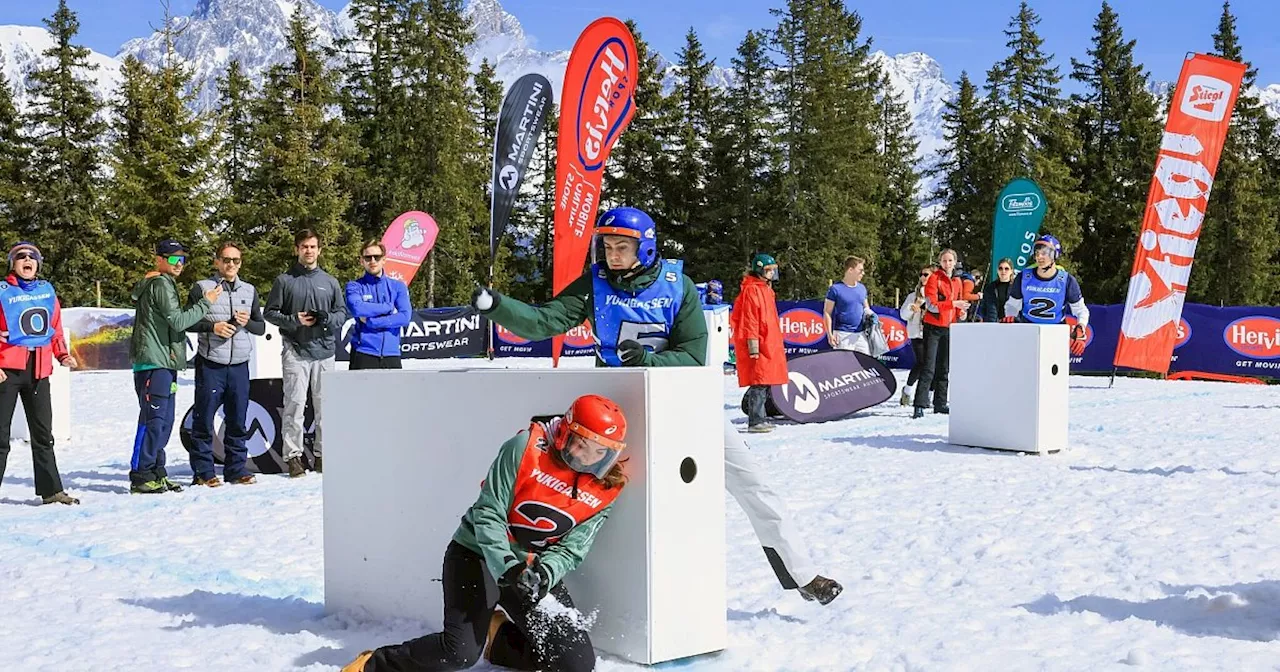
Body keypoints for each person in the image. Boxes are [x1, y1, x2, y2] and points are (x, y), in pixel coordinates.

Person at [470, 206, 842, 605]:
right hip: (622, 411)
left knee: (754, 483)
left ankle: (802, 574)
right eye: (607, 246)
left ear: (645, 248)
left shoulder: (676, 285)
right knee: (619, 504)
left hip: (683, 402)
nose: (612, 255)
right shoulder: (594, 284)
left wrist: (650, 362)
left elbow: (694, 354)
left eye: (622, 247)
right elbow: (544, 322)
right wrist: (497, 306)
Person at [343, 394, 630, 672]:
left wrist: (544, 575)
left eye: (598, 451)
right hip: (476, 555)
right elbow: (488, 513)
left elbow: (572, 548)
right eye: (579, 443)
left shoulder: (607, 489)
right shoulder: (524, 448)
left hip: (530, 570)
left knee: (575, 666)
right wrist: (508, 568)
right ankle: (374, 664)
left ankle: (501, 640)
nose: (584, 456)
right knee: (458, 654)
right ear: (565, 431)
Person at [130, 239, 221, 494]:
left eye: (182, 259)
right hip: (152, 362)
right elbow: (179, 321)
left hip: (163, 362)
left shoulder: (164, 282)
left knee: (164, 421)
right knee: (153, 419)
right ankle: (141, 475)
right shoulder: (160, 283)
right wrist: (206, 302)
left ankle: (157, 472)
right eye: (173, 258)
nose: (179, 263)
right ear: (159, 259)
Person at [0, 242, 80, 505]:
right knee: (1, 437)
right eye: (20, 256)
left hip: (38, 369)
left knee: (43, 435)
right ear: (12, 263)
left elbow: (54, 328)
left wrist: (62, 354)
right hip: (7, 370)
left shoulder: (46, 291)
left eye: (32, 257)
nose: (27, 260)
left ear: (38, 264)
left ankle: (51, 490)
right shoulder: (3, 292)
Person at [264, 229, 347, 478]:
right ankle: (293, 457)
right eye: (304, 247)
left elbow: (342, 314)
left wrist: (326, 319)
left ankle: (323, 455)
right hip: (296, 350)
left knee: (326, 407)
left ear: (319, 250)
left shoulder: (330, 282)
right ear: (296, 250)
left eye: (312, 246)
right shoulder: (285, 280)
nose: (308, 251)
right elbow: (270, 313)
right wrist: (294, 320)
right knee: (295, 405)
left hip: (324, 352)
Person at [184, 241, 265, 487]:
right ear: (217, 262)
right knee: (204, 419)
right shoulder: (202, 287)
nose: (231, 265)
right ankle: (203, 471)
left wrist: (248, 321)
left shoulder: (249, 290)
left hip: (240, 363)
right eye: (226, 260)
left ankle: (236, 468)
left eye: (236, 261)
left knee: (238, 419)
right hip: (211, 363)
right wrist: (213, 326)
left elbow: (260, 328)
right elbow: (187, 322)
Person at [1002, 234, 1091, 357]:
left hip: (1055, 332)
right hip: (1028, 330)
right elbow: (1012, 305)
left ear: (1054, 255)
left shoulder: (1066, 280)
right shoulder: (1023, 277)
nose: (1039, 256)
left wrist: (1081, 328)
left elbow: (1081, 310)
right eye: (1037, 252)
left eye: (1044, 253)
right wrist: (1010, 317)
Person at [732, 253, 787, 433]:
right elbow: (750, 320)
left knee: (765, 379)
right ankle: (756, 420)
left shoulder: (765, 289)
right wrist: (753, 346)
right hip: (759, 342)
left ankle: (757, 413)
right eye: (769, 270)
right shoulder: (752, 290)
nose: (772, 273)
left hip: (768, 341)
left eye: (773, 270)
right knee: (759, 381)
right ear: (760, 270)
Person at [912, 249, 968, 420]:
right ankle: (920, 404)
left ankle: (940, 403)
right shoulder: (934, 279)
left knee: (944, 368)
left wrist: (961, 313)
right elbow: (932, 305)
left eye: (950, 260)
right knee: (929, 367)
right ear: (940, 262)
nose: (947, 264)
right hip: (933, 327)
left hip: (950, 327)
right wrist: (954, 304)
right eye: (944, 260)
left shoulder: (958, 281)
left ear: (955, 262)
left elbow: (958, 307)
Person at [344, 240, 411, 370]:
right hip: (363, 352)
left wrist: (372, 322)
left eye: (377, 257)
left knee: (395, 391)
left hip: (391, 353)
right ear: (361, 261)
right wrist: (388, 307)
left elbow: (405, 317)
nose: (372, 261)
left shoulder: (397, 286)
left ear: (384, 259)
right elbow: (357, 308)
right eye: (368, 257)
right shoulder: (355, 286)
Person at [823, 256, 875, 354]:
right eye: (860, 270)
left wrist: (872, 315)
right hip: (843, 335)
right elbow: (827, 312)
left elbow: (866, 308)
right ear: (850, 270)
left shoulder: (862, 288)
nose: (863, 273)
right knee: (844, 367)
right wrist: (829, 334)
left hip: (860, 335)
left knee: (866, 365)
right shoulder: (835, 289)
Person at [897, 265, 933, 407]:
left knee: (932, 366)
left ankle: (928, 395)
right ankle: (907, 390)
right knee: (921, 363)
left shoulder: (935, 294)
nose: (923, 277)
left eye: (927, 274)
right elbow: (903, 315)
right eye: (922, 274)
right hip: (917, 334)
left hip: (932, 333)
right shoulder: (913, 296)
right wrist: (913, 307)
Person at [978, 258, 1015, 323]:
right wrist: (980, 317)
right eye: (1000, 268)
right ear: (997, 270)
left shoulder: (1016, 288)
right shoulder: (990, 288)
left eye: (1006, 268)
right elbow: (983, 306)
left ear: (1011, 271)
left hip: (1010, 324)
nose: (1003, 271)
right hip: (992, 324)